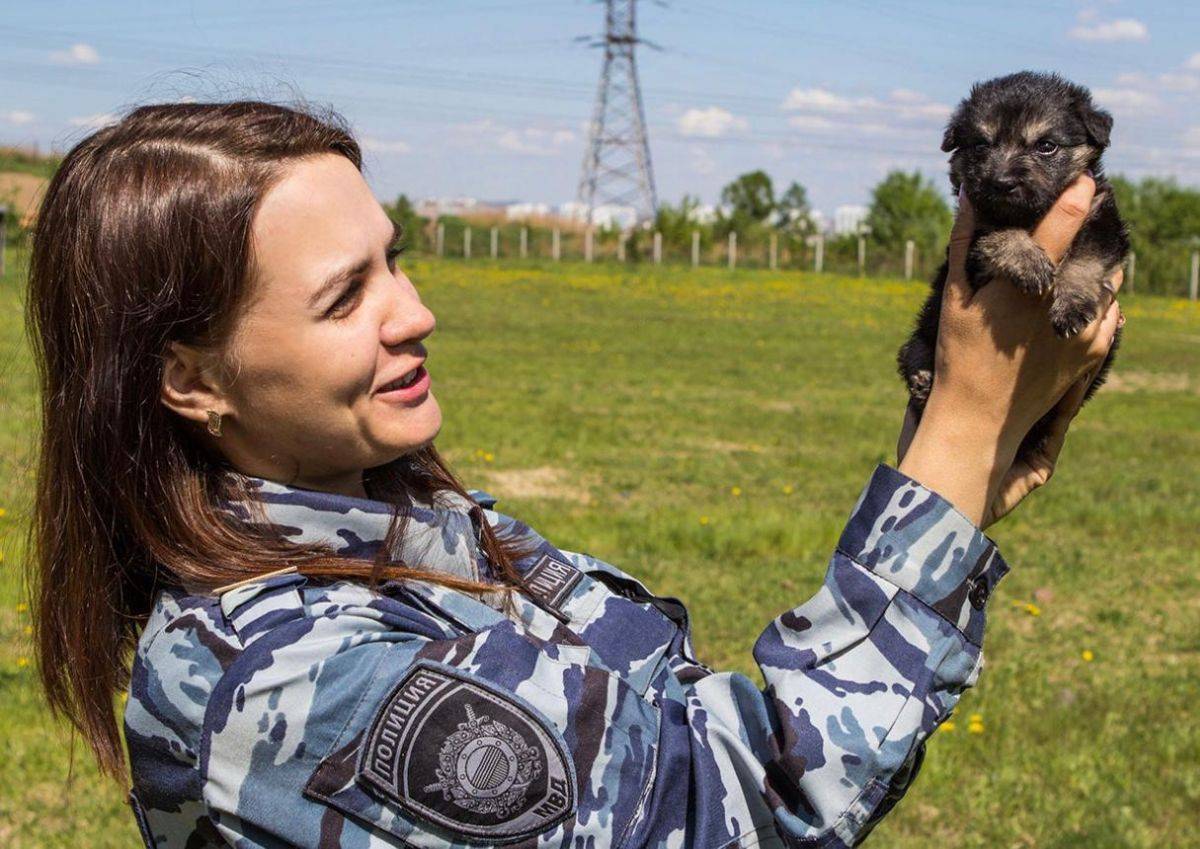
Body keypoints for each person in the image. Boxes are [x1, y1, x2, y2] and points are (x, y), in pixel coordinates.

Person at [24, 101, 1123, 849]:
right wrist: (958, 434)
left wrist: (963, 463)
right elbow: (739, 810)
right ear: (192, 380)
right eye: (344, 296)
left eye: (395, 260)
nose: (416, 312)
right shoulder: (285, 678)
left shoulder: (417, 525)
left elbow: (678, 715)